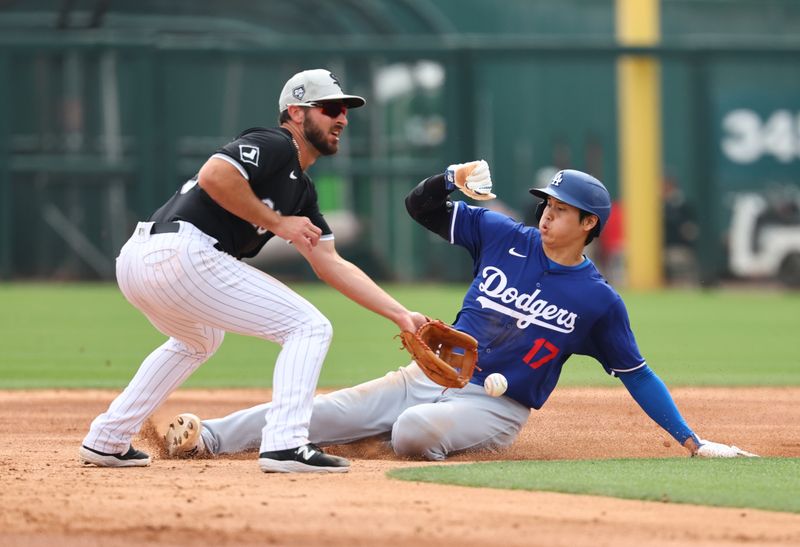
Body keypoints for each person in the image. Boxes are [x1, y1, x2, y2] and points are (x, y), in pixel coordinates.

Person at [163, 163, 757, 462]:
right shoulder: (502, 235)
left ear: (589, 224)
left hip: (494, 406)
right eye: (546, 204)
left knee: (412, 432)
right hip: (427, 374)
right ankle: (207, 437)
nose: (548, 214)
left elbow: (638, 374)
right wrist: (449, 177)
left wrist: (692, 441)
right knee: (321, 410)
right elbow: (420, 206)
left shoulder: (598, 301)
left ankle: (380, 445)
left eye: (563, 209)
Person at [78, 68, 426, 473]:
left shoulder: (301, 191)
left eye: (345, 110)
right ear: (296, 112)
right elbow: (215, 174)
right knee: (308, 327)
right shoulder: (276, 143)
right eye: (331, 108)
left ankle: (107, 439)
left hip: (146, 259)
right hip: (180, 253)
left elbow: (331, 263)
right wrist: (278, 223)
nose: (342, 118)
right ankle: (285, 444)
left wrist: (400, 314)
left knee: (200, 340)